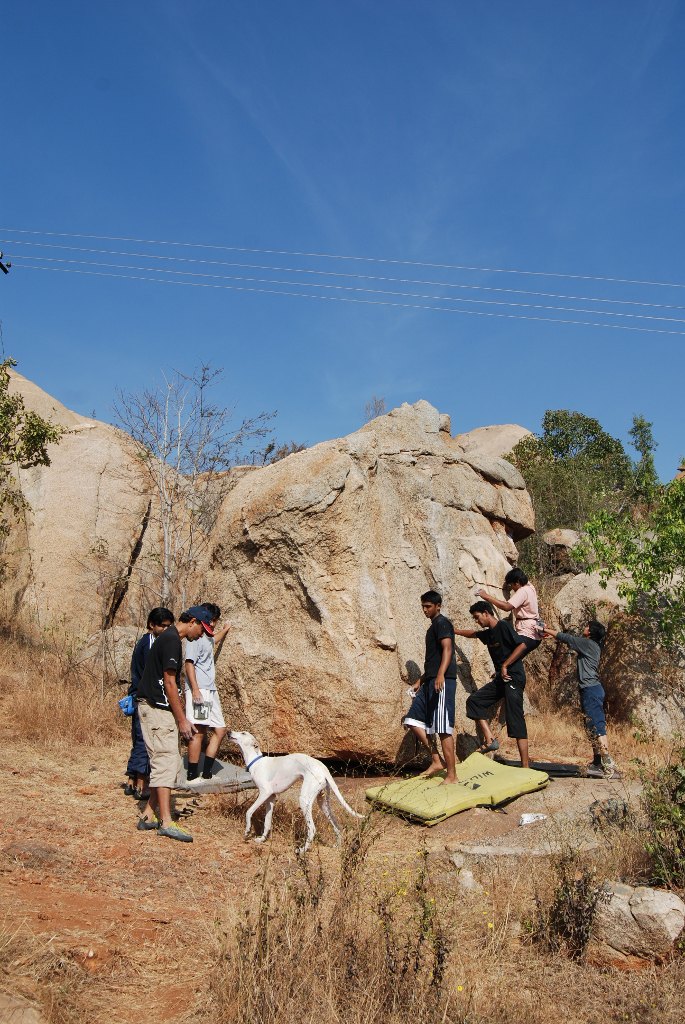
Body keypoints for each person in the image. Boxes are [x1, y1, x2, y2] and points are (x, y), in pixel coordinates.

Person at [135, 606, 213, 842]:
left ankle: (149, 815)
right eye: (202, 629)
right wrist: (181, 719)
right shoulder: (171, 641)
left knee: (167, 762)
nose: (202, 635)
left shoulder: (170, 639)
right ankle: (167, 822)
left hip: (159, 709)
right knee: (165, 761)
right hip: (156, 709)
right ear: (192, 622)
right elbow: (169, 682)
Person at [455, 601, 530, 768]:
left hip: (513, 677)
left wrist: (505, 665)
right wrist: (453, 631)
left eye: (477, 617)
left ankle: (526, 767)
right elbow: (473, 634)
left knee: (515, 719)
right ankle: (490, 740)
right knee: (474, 701)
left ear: (486, 613)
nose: (477, 621)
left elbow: (522, 646)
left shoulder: (503, 626)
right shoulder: (488, 634)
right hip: (500, 680)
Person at [544, 620, 619, 779]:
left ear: (590, 632)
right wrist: (550, 635)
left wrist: (546, 630)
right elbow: (569, 642)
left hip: (591, 690)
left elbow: (568, 638)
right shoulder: (590, 645)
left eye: (586, 626)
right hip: (589, 690)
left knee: (598, 726)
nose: (584, 628)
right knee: (591, 727)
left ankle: (608, 762)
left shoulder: (589, 644)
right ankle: (598, 761)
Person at [403, 590, 458, 784]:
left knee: (443, 728)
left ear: (438, 606)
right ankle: (436, 760)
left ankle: (452, 776)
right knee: (412, 720)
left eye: (428, 606)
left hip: (442, 681)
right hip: (431, 680)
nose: (425, 610)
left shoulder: (443, 623)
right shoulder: (432, 627)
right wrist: (421, 680)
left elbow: (447, 649)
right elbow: (433, 660)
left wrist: (441, 674)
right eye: (423, 607)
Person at [124, 607, 174, 799]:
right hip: (144, 697)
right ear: (151, 625)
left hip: (141, 695)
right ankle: (141, 783)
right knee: (145, 741)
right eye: (163, 626)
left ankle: (131, 780)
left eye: (169, 626)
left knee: (139, 739)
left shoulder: (149, 642)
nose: (166, 629)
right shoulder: (149, 644)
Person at [184, 601, 231, 782]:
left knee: (220, 729)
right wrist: (195, 690)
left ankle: (207, 772)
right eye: (211, 620)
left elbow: (213, 640)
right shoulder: (194, 637)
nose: (212, 624)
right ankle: (192, 774)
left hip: (211, 689)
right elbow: (189, 664)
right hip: (200, 690)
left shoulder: (207, 636)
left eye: (215, 621)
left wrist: (225, 630)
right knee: (199, 731)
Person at [476, 568, 543, 654]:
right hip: (535, 633)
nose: (511, 589)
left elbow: (507, 607)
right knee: (513, 660)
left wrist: (486, 596)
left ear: (518, 582)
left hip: (527, 633)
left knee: (508, 657)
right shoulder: (530, 587)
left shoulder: (523, 591)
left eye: (511, 585)